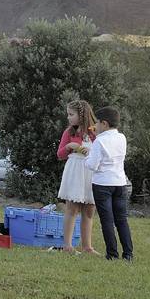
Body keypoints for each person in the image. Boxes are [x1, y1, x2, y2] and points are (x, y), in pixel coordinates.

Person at [85, 106, 133, 261]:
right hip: (120, 183)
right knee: (122, 220)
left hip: (102, 184)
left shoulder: (99, 141)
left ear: (104, 124)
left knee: (107, 220)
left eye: (97, 123)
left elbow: (93, 165)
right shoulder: (122, 138)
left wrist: (87, 155)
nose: (95, 126)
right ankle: (128, 254)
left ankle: (112, 254)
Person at [56, 99, 98, 254]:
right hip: (75, 171)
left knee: (89, 209)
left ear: (81, 115)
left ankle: (87, 247)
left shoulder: (95, 132)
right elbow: (60, 154)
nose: (68, 117)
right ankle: (67, 245)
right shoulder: (69, 132)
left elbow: (100, 151)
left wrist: (87, 151)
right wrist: (69, 147)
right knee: (72, 208)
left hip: (90, 172)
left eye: (71, 114)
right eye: (68, 114)